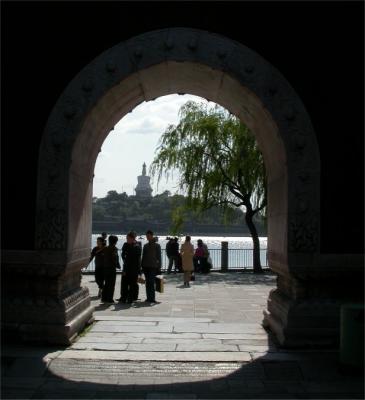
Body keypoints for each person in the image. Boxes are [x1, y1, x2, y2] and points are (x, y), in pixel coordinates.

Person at [118, 231, 141, 303]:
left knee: (132, 284)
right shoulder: (126, 245)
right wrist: (125, 259)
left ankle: (130, 298)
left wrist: (139, 270)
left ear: (132, 238)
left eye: (128, 238)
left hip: (133, 269)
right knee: (124, 283)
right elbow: (123, 255)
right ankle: (123, 297)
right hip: (127, 267)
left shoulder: (137, 247)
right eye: (126, 238)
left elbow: (138, 259)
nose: (126, 239)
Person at [141, 230, 161, 304]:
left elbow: (159, 257)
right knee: (147, 283)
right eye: (146, 236)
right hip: (145, 266)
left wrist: (159, 267)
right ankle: (148, 297)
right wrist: (141, 265)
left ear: (152, 236)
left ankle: (152, 298)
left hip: (153, 266)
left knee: (151, 282)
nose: (147, 237)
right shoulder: (145, 245)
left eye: (148, 236)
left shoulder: (157, 245)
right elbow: (143, 256)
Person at [101, 235, 121, 304]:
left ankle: (104, 298)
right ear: (115, 242)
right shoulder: (114, 249)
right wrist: (118, 265)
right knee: (111, 284)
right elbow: (114, 258)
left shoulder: (105, 248)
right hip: (111, 268)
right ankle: (110, 299)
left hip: (105, 267)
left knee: (106, 283)